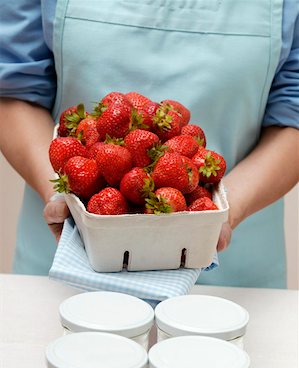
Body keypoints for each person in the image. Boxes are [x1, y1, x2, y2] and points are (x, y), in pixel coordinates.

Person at [0, 0, 298, 288]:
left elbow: (293, 113)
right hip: (69, 259)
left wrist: (219, 213)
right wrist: (65, 199)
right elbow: (14, 87)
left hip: (232, 279)